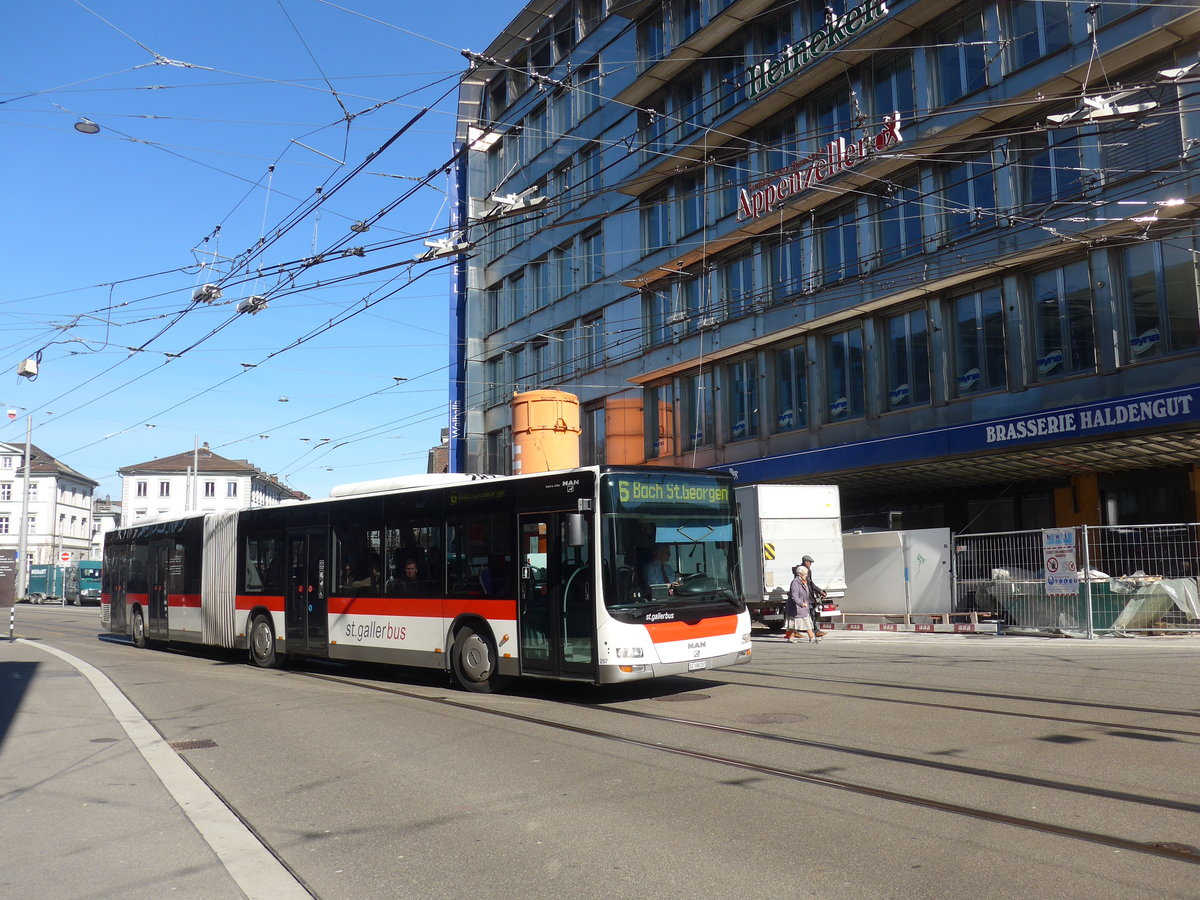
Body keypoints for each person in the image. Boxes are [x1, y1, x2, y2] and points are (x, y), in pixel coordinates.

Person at [785, 564, 820, 644]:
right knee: (804, 622)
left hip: (803, 607)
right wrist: (801, 603)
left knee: (797, 623)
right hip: (796, 607)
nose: (806, 576)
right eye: (805, 574)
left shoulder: (804, 581)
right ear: (800, 574)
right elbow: (794, 596)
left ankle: (791, 637)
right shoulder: (795, 583)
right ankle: (812, 638)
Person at [800, 554, 828, 637]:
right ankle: (815, 631)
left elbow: (810, 583)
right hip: (806, 597)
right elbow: (810, 584)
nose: (810, 564)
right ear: (806, 562)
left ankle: (814, 631)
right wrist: (819, 591)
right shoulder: (804, 571)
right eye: (810, 562)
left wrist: (820, 591)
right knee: (811, 614)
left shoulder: (803, 570)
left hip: (807, 597)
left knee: (808, 614)